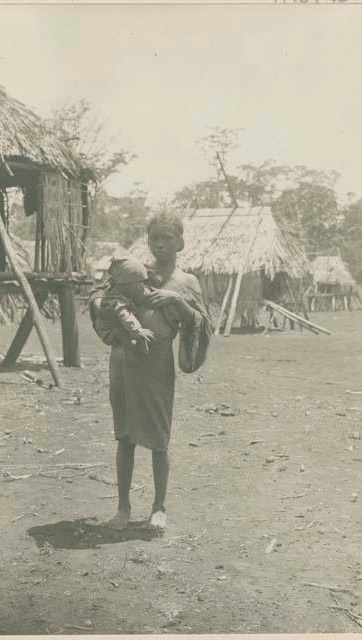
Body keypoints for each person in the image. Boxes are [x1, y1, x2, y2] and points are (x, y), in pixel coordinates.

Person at [89, 213, 213, 530]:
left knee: (159, 438)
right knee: (125, 435)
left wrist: (177, 301)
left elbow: (201, 324)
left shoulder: (187, 283)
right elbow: (101, 296)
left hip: (158, 362)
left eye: (167, 238)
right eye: (155, 237)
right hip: (125, 359)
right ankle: (123, 508)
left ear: (180, 242)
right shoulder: (134, 272)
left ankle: (159, 507)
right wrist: (114, 317)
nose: (160, 244)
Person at [97, 256, 155, 355]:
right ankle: (139, 351)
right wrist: (138, 331)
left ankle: (140, 347)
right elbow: (125, 316)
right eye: (139, 282)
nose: (142, 286)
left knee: (129, 338)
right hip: (110, 332)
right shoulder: (115, 300)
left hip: (115, 328)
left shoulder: (118, 294)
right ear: (126, 283)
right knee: (126, 339)